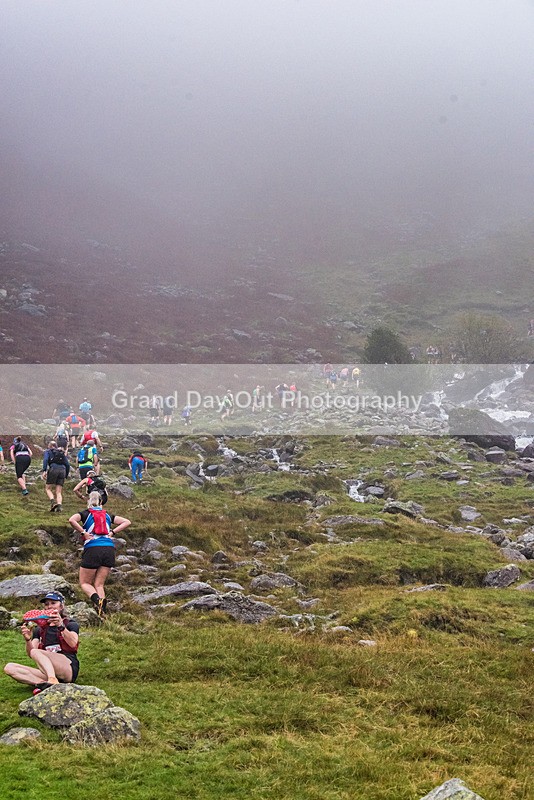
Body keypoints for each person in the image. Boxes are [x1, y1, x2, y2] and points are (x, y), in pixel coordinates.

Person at [69, 493, 131, 618]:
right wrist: (112, 532)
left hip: (93, 548)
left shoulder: (85, 514)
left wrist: (83, 532)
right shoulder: (107, 515)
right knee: (99, 584)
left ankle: (97, 600)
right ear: (101, 502)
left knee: (85, 583)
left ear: (88, 501)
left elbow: (71, 520)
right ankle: (102, 611)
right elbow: (127, 521)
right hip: (109, 548)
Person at [4, 591, 79, 690]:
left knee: (36, 652)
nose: (49, 606)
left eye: (53, 603)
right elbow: (31, 653)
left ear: (61, 606)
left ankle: (52, 679)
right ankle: (45, 685)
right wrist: (27, 640)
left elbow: (73, 643)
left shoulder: (70, 624)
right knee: (9, 667)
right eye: (47, 604)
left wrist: (60, 626)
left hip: (67, 667)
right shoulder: (39, 629)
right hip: (47, 670)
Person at [42, 441, 70, 512]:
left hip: (53, 468)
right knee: (59, 491)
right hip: (63, 470)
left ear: (49, 446)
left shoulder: (48, 451)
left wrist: (44, 470)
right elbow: (67, 464)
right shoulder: (61, 452)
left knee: (48, 488)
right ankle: (59, 506)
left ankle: (53, 502)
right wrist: (66, 475)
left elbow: (45, 460)